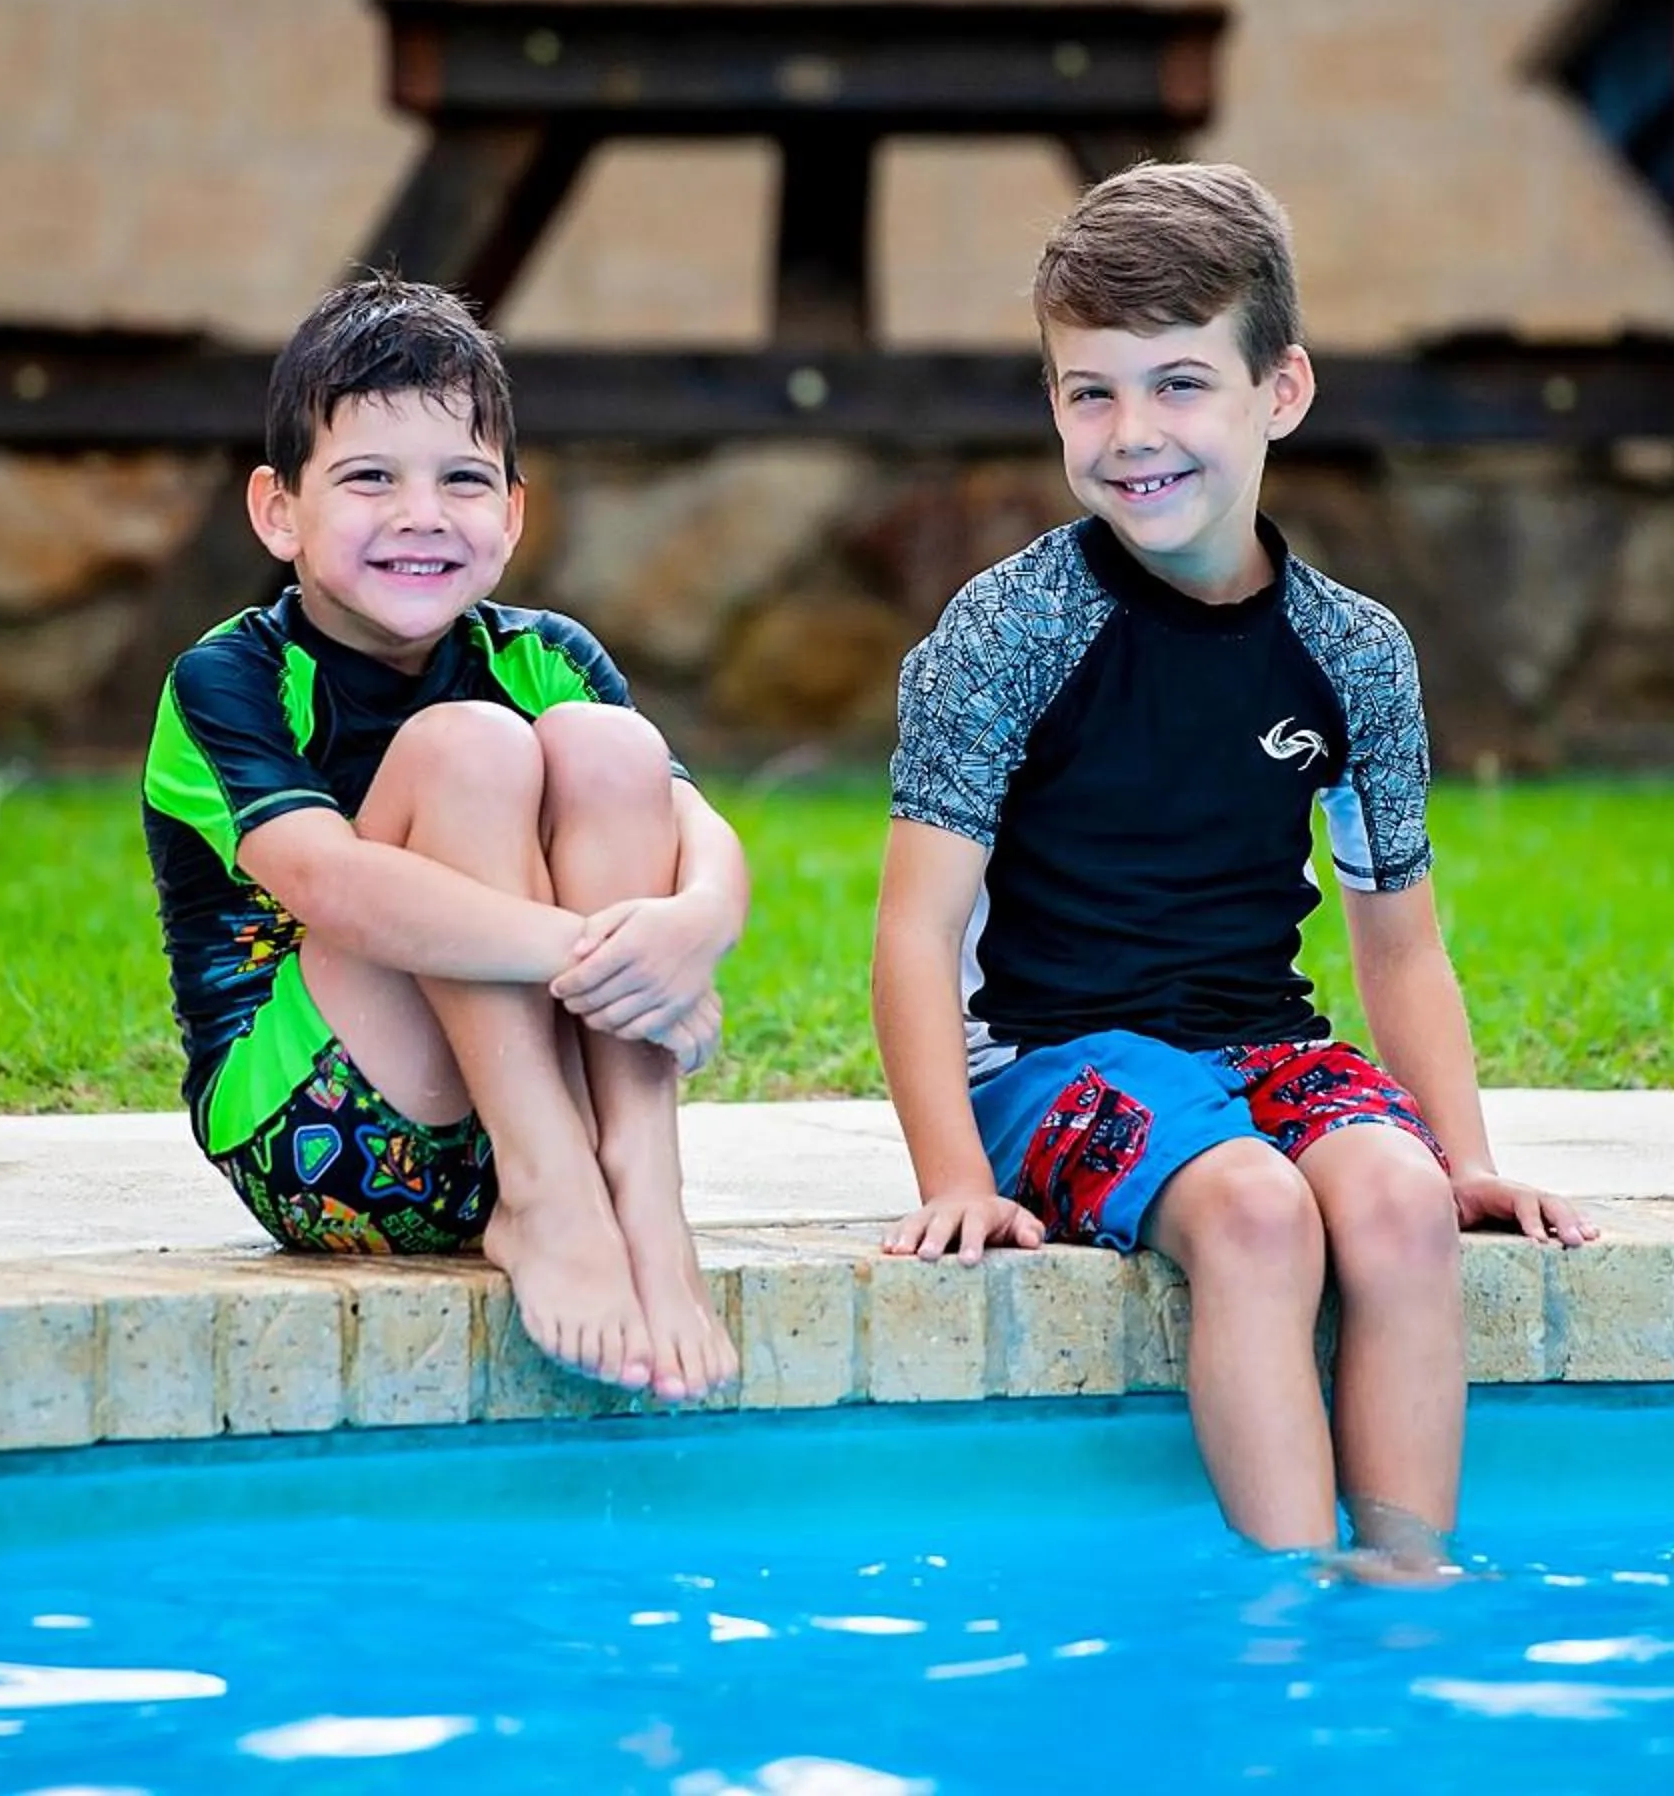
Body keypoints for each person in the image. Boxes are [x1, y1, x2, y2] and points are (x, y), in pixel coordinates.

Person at [872, 162, 1595, 1564]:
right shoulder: (1009, 630)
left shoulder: (1354, 653)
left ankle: (1404, 1590)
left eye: (1181, 383)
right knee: (1260, 1214)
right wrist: (954, 1177)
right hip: (1045, 1055)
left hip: (1256, 1043)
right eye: (1091, 391)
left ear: (1282, 392)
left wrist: (1469, 1158)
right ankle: (1287, 1612)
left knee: (1394, 1204)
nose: (1134, 432)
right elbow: (914, 934)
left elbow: (1398, 939)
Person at [141, 272, 743, 1404]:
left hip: (553, 1121)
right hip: (329, 1140)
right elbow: (334, 885)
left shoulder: (547, 654)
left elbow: (697, 833)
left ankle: (642, 1199)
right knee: (467, 746)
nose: (422, 513)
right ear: (279, 510)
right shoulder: (229, 680)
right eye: (370, 478)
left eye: (462, 480)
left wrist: (692, 926)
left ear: (512, 514)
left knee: (610, 747)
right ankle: (555, 1191)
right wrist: (604, 954)